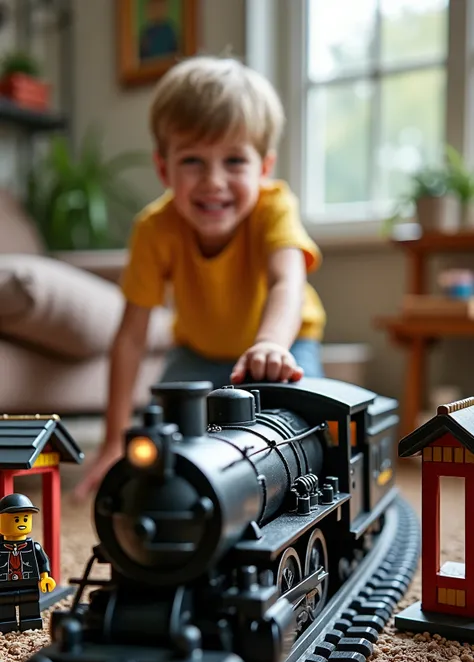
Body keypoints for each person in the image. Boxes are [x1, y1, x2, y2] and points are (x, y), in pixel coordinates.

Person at [73, 55, 326, 501]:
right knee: (165, 438)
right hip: (198, 353)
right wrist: (113, 440)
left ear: (263, 168)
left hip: (284, 343)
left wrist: (270, 345)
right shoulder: (154, 229)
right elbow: (130, 338)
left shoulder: (275, 208)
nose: (213, 181)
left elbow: (288, 282)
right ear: (163, 168)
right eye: (192, 161)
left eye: (234, 161)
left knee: (304, 431)